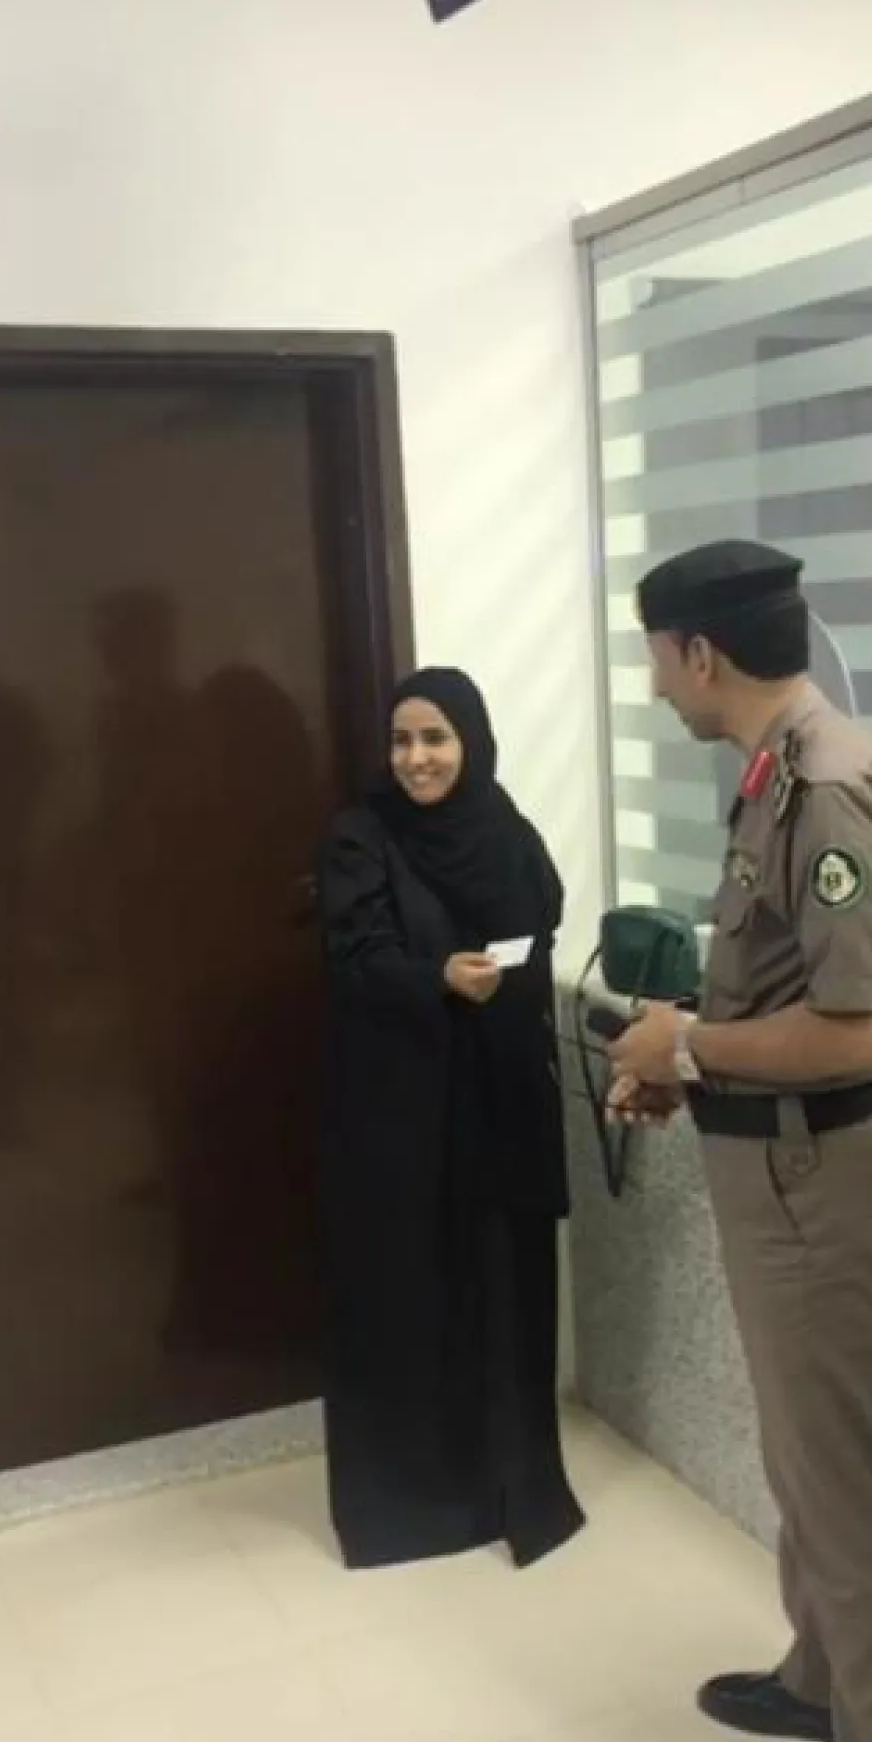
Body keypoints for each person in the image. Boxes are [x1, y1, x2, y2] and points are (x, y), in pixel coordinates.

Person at [609, 541, 872, 1742]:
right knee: (800, 1462)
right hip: (778, 1171)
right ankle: (823, 1679)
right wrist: (693, 1060)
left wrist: (688, 1044)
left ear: (699, 653)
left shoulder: (827, 785)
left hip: (826, 1185)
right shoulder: (774, 774)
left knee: (839, 1484)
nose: (656, 684)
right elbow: (782, 998)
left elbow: (866, 1028)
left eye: (657, 657)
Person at [315, 667, 584, 1570]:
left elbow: (546, 910)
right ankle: (418, 1508)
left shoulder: (502, 825)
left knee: (504, 1288)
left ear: (471, 742)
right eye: (402, 740)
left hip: (500, 1104)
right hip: (408, 1118)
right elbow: (356, 958)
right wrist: (436, 976)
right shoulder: (361, 838)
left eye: (436, 737)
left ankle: (511, 1485)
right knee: (417, 1295)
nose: (417, 758)